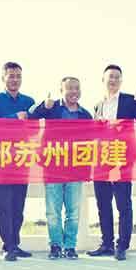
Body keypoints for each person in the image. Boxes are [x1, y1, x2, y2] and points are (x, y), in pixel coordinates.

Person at [30, 76, 93, 260]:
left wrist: (87, 169)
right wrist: (44, 105)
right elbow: (32, 117)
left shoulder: (85, 115)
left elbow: (90, 143)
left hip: (76, 169)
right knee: (53, 212)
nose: (74, 92)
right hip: (53, 167)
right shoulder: (52, 109)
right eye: (70, 88)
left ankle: (70, 246)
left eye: (77, 88)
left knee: (73, 212)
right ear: (61, 91)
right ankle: (55, 245)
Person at [88, 64, 136, 260]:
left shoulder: (130, 100)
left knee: (123, 203)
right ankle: (106, 243)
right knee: (103, 203)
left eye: (116, 77)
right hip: (101, 159)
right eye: (110, 77)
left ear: (121, 81)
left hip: (122, 158)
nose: (113, 80)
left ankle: (122, 245)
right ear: (103, 80)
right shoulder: (98, 104)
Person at [0, 62, 36, 262]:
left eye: (18, 76)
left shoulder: (29, 101)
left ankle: (15, 242)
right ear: (3, 78)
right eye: (11, 76)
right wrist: (15, 117)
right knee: (4, 205)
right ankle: (8, 246)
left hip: (22, 158)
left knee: (18, 205)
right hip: (2, 158)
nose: (15, 79)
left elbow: (34, 129)